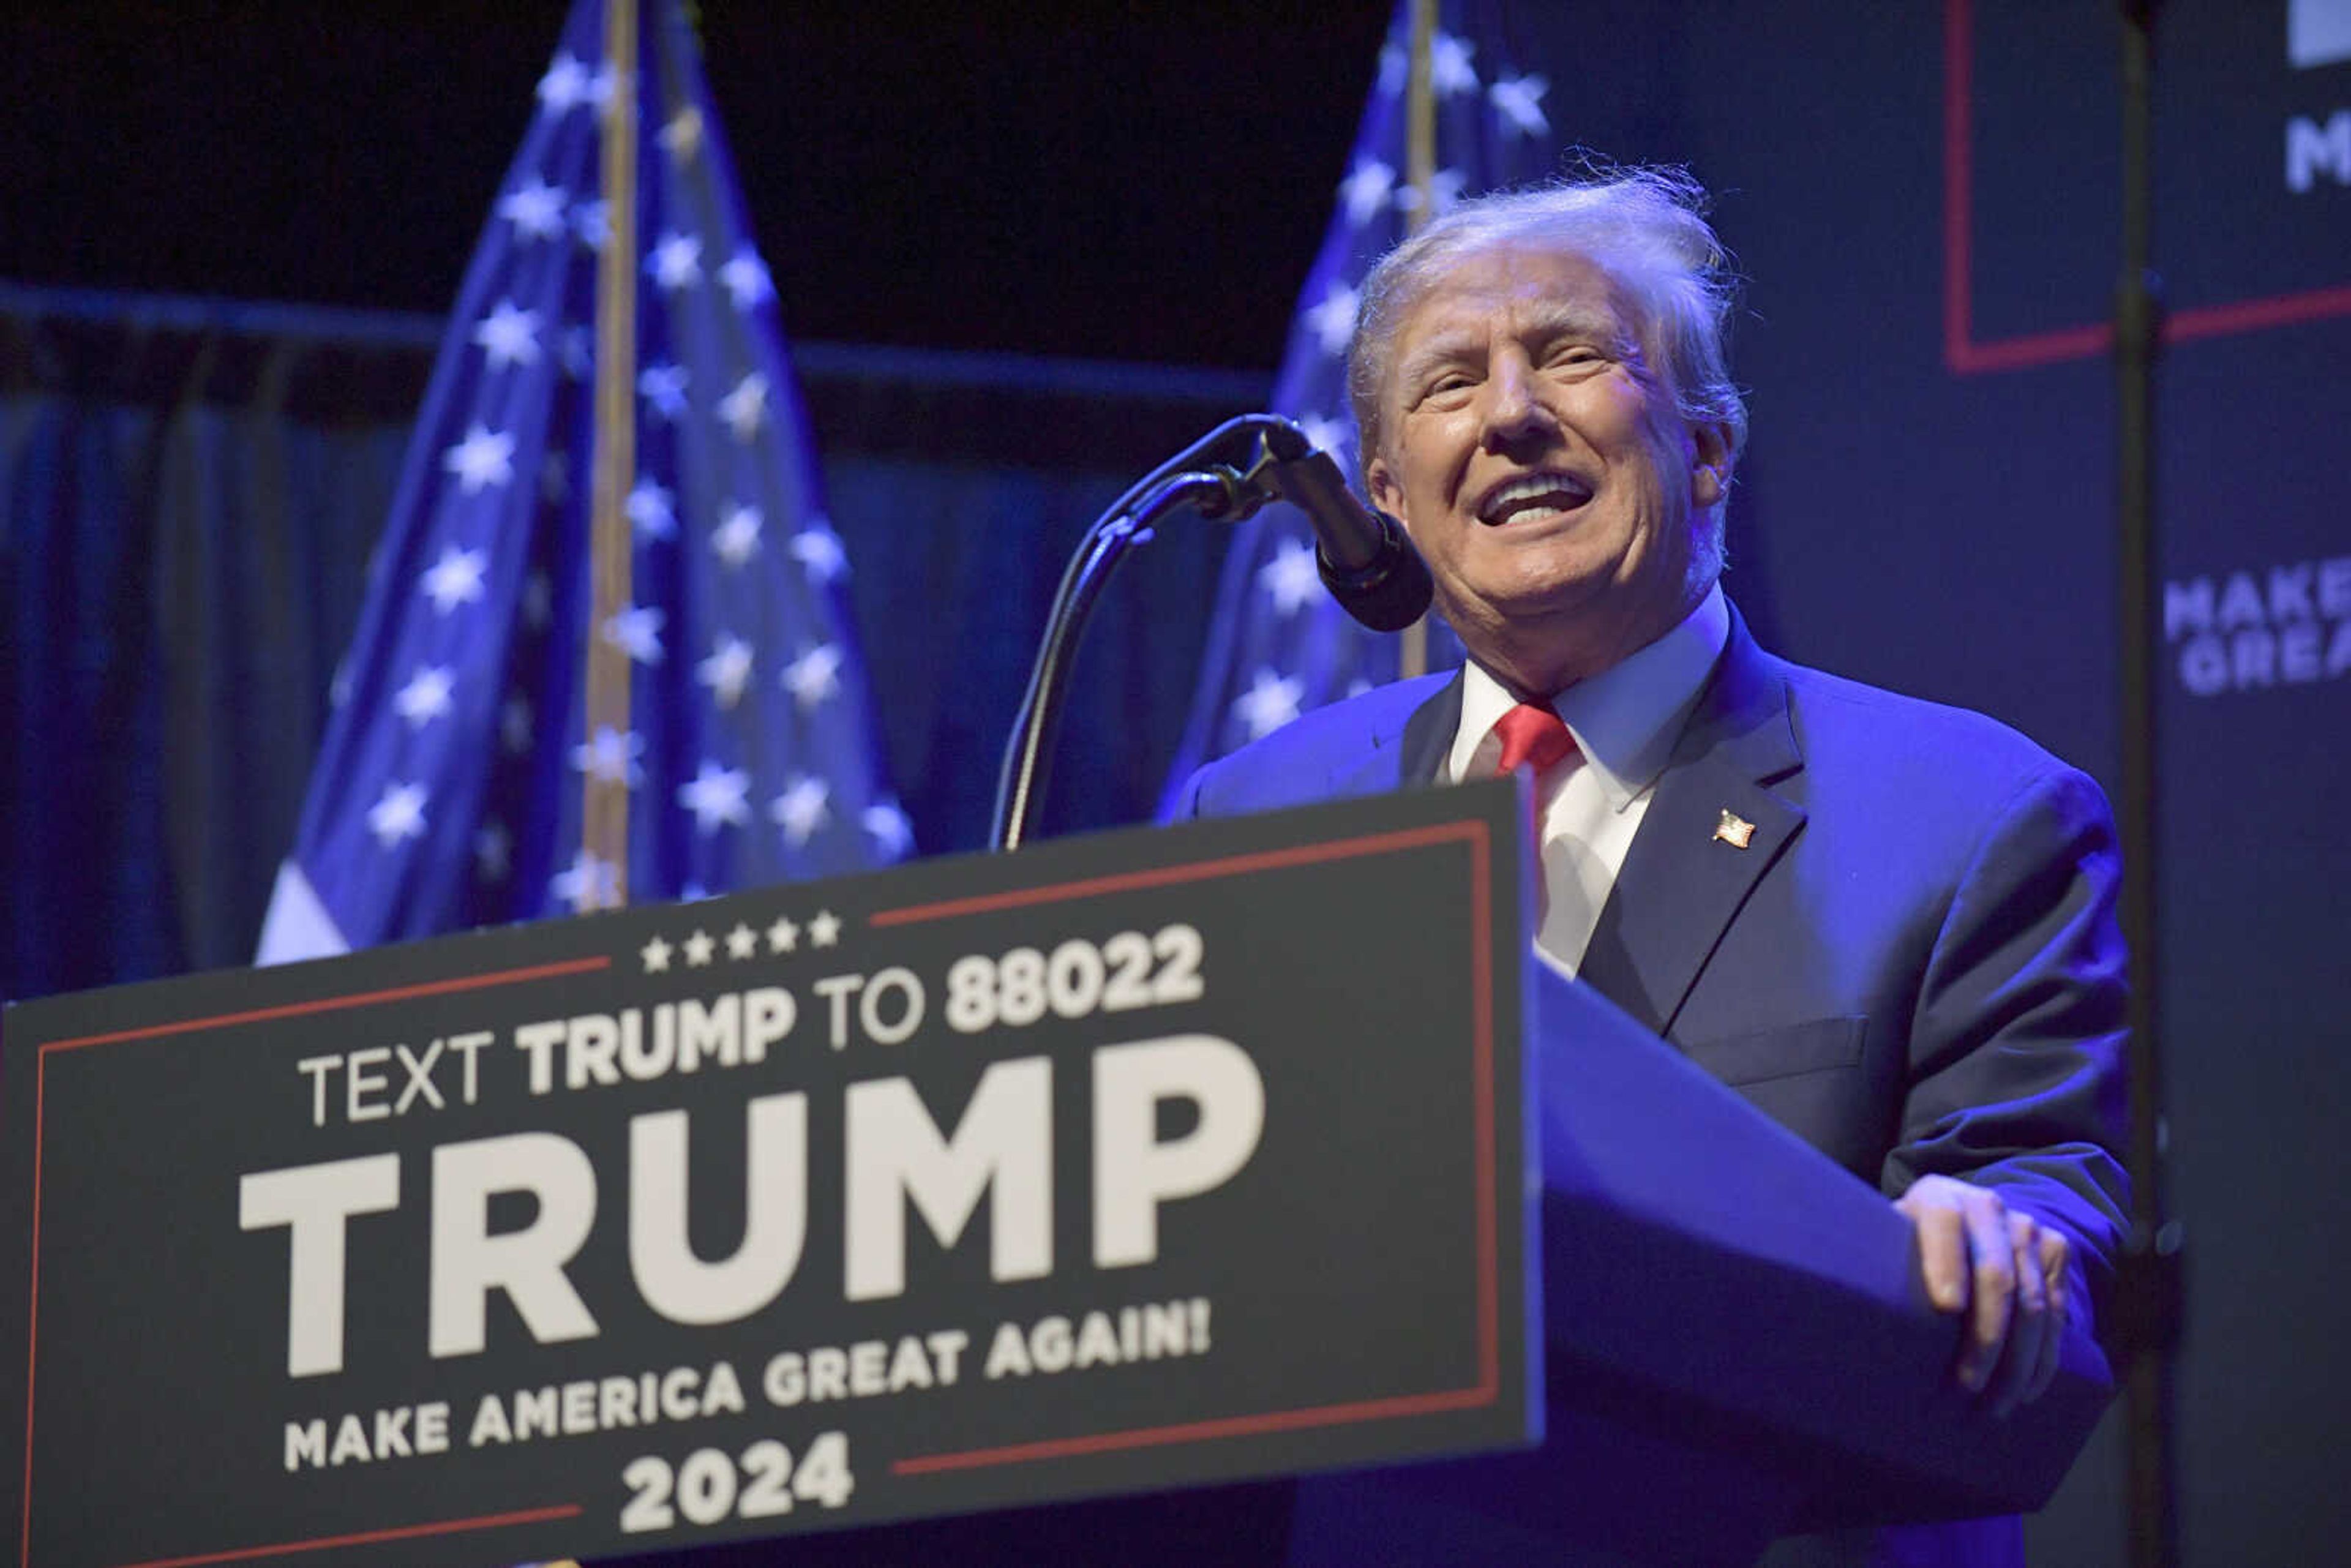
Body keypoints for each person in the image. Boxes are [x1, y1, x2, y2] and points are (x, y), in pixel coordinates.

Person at [1170, 168, 2129, 1565]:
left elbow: (2035, 1195)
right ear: (1385, 497)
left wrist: (1993, 1236)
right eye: (1451, 383)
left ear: (1708, 449)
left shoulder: (1972, 815)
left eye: (1569, 355)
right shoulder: (1255, 816)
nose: (1510, 415)